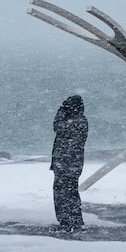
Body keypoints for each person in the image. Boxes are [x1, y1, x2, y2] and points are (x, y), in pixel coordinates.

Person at [50, 94, 88, 232]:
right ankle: (74, 222)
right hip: (70, 163)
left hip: (67, 164)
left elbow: (58, 127)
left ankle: (67, 222)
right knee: (70, 193)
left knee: (64, 194)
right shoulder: (81, 120)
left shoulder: (76, 121)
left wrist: (60, 113)